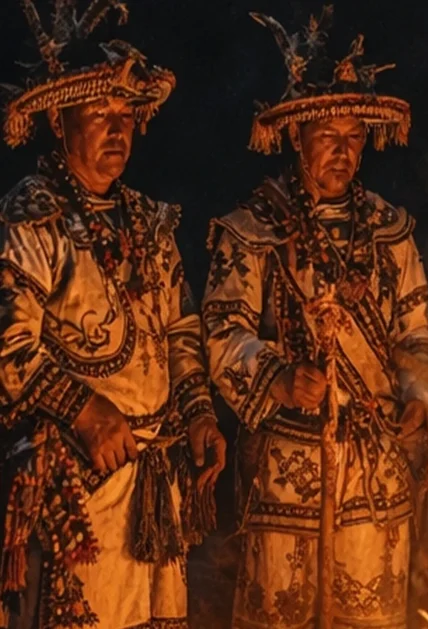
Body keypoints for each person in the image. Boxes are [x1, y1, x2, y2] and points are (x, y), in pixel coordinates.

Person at [202, 8, 428, 628]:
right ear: (297, 136)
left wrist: (419, 398)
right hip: (287, 475)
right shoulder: (253, 229)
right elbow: (222, 333)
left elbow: (418, 330)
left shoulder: (390, 230)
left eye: (354, 136)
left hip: (375, 473)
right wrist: (279, 378)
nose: (342, 151)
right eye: (327, 135)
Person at [0, 2, 226, 627]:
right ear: (59, 119)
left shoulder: (151, 222)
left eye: (126, 116)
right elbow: (9, 351)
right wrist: (85, 410)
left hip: (157, 482)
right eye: (100, 114)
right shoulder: (32, 216)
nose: (117, 130)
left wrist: (199, 413)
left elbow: (181, 331)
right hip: (78, 482)